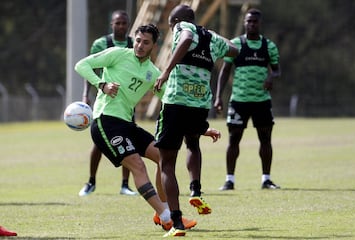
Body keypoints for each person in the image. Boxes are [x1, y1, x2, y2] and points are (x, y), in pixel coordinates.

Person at [75, 23, 221, 234]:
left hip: (127, 124)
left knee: (164, 157)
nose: (140, 46)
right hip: (105, 121)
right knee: (137, 165)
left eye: (146, 42)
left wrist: (202, 128)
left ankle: (162, 209)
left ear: (154, 45)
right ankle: (166, 217)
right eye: (137, 40)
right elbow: (81, 65)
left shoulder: (153, 73)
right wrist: (102, 84)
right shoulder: (117, 54)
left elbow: (172, 102)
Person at [153, 4, 239, 237]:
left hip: (176, 102)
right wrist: (212, 37)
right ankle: (196, 190)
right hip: (200, 104)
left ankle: (178, 224)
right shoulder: (211, 37)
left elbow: (187, 37)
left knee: (167, 163)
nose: (172, 30)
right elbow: (233, 50)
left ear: (177, 20)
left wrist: (166, 71)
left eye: (171, 25)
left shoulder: (183, 26)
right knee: (193, 143)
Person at [214, 8, 281, 191]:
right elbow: (224, 71)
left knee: (265, 139)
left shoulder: (269, 46)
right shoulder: (235, 45)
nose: (251, 24)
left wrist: (271, 77)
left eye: (255, 22)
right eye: (248, 21)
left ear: (260, 24)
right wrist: (218, 97)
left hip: (261, 101)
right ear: (245, 23)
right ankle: (229, 180)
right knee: (233, 139)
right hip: (239, 100)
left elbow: (276, 69)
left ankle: (266, 179)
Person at [79, 10, 137, 197]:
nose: (121, 26)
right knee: (98, 142)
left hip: (125, 103)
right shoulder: (101, 44)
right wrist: (85, 94)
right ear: (111, 24)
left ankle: (125, 185)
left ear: (128, 25)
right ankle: (91, 181)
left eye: (124, 23)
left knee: (128, 141)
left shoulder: (133, 44)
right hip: (105, 102)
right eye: (117, 23)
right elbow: (91, 67)